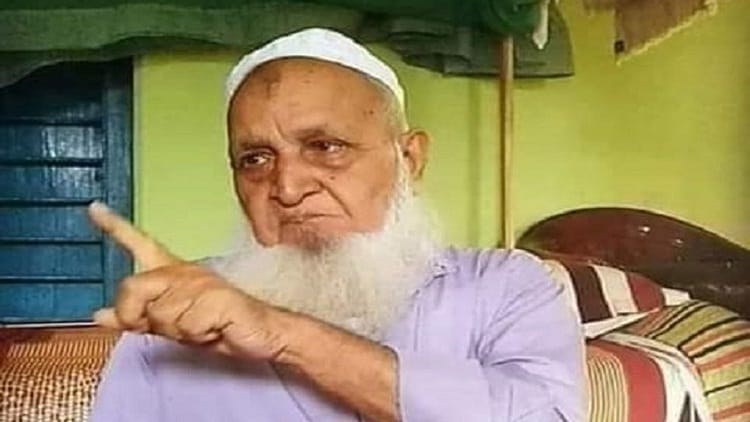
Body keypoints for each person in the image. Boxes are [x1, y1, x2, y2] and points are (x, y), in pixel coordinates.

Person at [89, 28, 585, 422]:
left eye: (325, 147)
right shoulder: (175, 319)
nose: (287, 187)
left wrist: (284, 335)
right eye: (256, 159)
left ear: (409, 160)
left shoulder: (506, 287)